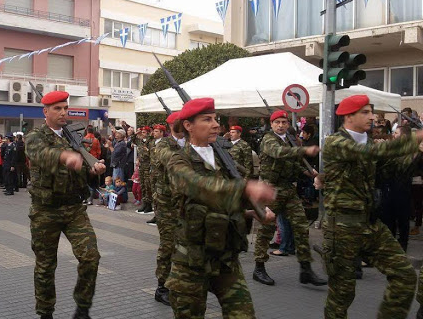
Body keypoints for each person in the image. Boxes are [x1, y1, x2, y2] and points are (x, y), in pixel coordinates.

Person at [165, 98, 276, 318]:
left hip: (226, 258)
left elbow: (224, 200)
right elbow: (200, 187)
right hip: (191, 261)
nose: (216, 124)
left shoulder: (224, 159)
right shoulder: (178, 160)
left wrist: (250, 211)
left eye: (215, 118)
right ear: (188, 125)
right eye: (207, 119)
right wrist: (245, 189)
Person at [319, 95, 423, 318]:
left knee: (404, 275)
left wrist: (417, 154)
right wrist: (415, 137)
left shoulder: (369, 143)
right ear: (349, 116)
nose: (372, 117)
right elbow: (373, 154)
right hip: (342, 228)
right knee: (342, 296)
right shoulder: (335, 143)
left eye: (371, 112)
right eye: (365, 112)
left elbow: (393, 171)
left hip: (370, 225)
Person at [26, 90, 105, 319]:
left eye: (65, 108)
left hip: (74, 209)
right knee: (45, 266)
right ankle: (45, 313)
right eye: (57, 108)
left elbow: (84, 169)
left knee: (91, 257)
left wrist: (94, 169)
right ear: (46, 111)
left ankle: (82, 308)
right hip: (45, 211)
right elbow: (39, 153)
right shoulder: (35, 135)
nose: (63, 112)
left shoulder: (74, 137)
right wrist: (64, 157)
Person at [252, 110, 325, 287]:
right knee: (267, 229)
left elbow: (292, 163)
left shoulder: (290, 140)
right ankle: (259, 268)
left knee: (301, 226)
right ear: (272, 124)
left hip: (288, 188)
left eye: (284, 122)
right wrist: (303, 149)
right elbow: (278, 153)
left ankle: (306, 269)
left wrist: (307, 172)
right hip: (271, 189)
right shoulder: (269, 140)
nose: (281, 125)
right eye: (277, 122)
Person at [151, 112, 186, 306]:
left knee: (184, 243)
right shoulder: (164, 145)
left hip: (185, 203)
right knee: (168, 244)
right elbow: (171, 162)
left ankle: (179, 282)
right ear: (172, 125)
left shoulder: (190, 144)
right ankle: (161, 286)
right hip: (166, 203)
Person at [136, 126, 153, 214]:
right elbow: (133, 140)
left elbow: (151, 153)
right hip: (141, 165)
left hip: (148, 165)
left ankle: (149, 204)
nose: (142, 134)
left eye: (144, 132)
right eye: (141, 132)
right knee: (142, 184)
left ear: (148, 133)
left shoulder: (151, 142)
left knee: (147, 185)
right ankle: (144, 203)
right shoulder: (140, 142)